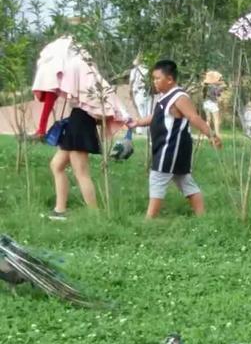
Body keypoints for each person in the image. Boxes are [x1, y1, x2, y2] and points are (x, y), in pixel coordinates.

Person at [32, 36, 130, 220]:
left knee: (81, 172)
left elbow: (53, 91)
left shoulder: (75, 65)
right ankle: (60, 210)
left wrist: (42, 127)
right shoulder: (83, 65)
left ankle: (94, 215)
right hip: (79, 119)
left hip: (81, 120)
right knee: (57, 165)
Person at [128, 60, 222, 218]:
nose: (154, 82)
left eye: (157, 78)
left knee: (158, 177)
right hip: (166, 147)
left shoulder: (180, 97)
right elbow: (156, 117)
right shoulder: (166, 97)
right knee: (184, 180)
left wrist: (211, 135)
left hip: (171, 147)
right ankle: (202, 216)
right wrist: (138, 122)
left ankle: (149, 219)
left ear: (170, 79)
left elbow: (193, 117)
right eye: (154, 78)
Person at [129, 55, 153, 135]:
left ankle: (140, 130)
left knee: (140, 110)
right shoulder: (147, 70)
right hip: (146, 91)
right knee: (148, 110)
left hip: (139, 91)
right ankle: (148, 129)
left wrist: (130, 91)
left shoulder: (134, 71)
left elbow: (131, 82)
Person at [202, 71, 224, 137]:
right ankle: (217, 134)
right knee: (216, 119)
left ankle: (206, 134)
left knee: (208, 119)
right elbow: (218, 95)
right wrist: (221, 89)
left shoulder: (206, 86)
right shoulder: (215, 87)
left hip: (205, 103)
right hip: (212, 103)